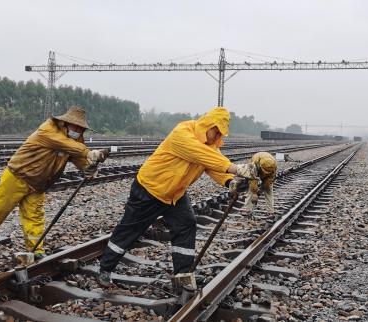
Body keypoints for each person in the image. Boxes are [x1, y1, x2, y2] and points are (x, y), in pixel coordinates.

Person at [96, 107, 258, 287]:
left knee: (186, 225)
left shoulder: (209, 146)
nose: (217, 136)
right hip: (150, 189)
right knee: (130, 230)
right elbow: (202, 155)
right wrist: (235, 168)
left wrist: (230, 182)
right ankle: (105, 269)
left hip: (175, 194)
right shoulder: (183, 133)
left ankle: (183, 275)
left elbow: (211, 165)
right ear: (207, 124)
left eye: (221, 133)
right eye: (216, 130)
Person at [0, 106, 109, 259]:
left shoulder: (74, 140)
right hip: (18, 176)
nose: (79, 130)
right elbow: (69, 146)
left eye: (81, 128)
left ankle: (36, 249)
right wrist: (89, 153)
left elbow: (77, 156)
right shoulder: (48, 130)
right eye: (77, 126)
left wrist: (88, 168)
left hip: (39, 183)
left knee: (34, 216)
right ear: (65, 123)